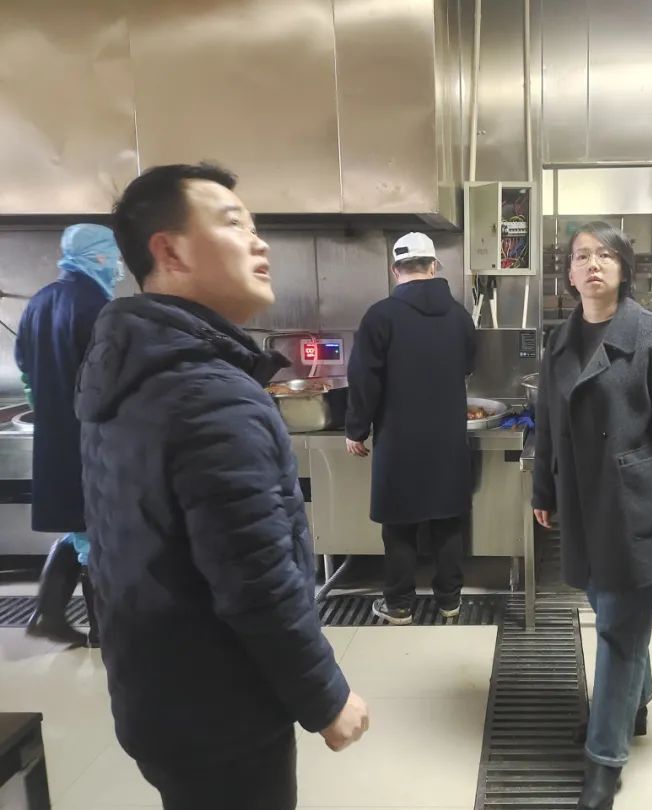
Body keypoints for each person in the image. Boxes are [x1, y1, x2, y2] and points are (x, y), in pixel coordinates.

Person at [75, 163, 368, 810]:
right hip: (222, 711)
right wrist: (326, 697)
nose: (260, 243)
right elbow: (256, 580)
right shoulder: (209, 396)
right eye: (234, 223)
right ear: (170, 251)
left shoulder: (126, 366)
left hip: (156, 693)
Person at [532, 221, 652, 810]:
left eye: (605, 255)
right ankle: (635, 703)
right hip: (583, 505)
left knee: (617, 630)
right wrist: (543, 489)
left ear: (625, 268)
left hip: (636, 504)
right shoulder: (561, 340)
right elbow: (549, 423)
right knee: (615, 613)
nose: (592, 264)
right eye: (581, 256)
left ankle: (604, 762)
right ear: (569, 272)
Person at [344, 232, 477, 625]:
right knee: (447, 520)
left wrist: (356, 429)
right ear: (434, 267)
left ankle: (399, 605)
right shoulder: (459, 316)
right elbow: (468, 365)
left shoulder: (380, 316)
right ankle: (450, 601)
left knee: (399, 524)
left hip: (398, 439)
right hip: (448, 437)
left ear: (395, 270)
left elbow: (364, 380)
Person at [15, 224, 123, 647]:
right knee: (96, 533)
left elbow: (25, 367)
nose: (118, 267)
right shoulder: (98, 307)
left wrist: (48, 408)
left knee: (79, 526)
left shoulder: (40, 301)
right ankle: (102, 632)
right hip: (94, 437)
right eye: (114, 257)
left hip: (56, 435)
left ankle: (49, 613)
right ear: (99, 257)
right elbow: (112, 379)